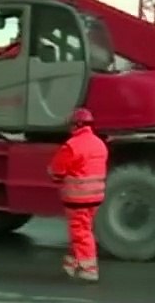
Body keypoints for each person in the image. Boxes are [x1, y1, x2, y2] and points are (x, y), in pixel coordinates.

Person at [48, 107, 108, 282]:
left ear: (76, 125)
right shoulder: (99, 144)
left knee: (80, 232)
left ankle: (89, 269)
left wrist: (53, 174)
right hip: (95, 197)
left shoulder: (71, 146)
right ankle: (72, 263)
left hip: (77, 197)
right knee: (84, 228)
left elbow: (57, 171)